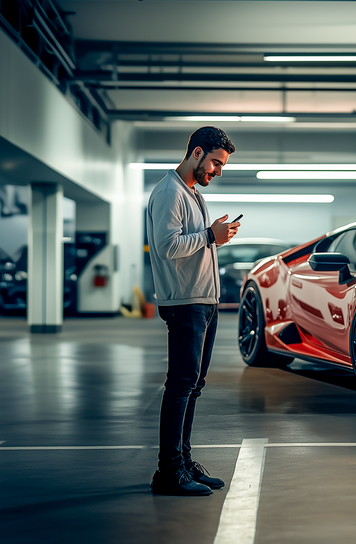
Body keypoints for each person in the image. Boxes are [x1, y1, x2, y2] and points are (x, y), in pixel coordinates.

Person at [146, 126, 239, 496]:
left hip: (203, 300)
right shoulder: (170, 192)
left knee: (193, 385)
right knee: (182, 385)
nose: (218, 170)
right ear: (197, 152)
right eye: (215, 162)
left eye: (222, 165)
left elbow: (194, 245)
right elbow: (167, 246)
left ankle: (183, 461)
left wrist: (214, 236)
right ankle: (169, 472)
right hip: (185, 303)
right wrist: (210, 236)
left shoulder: (192, 193)